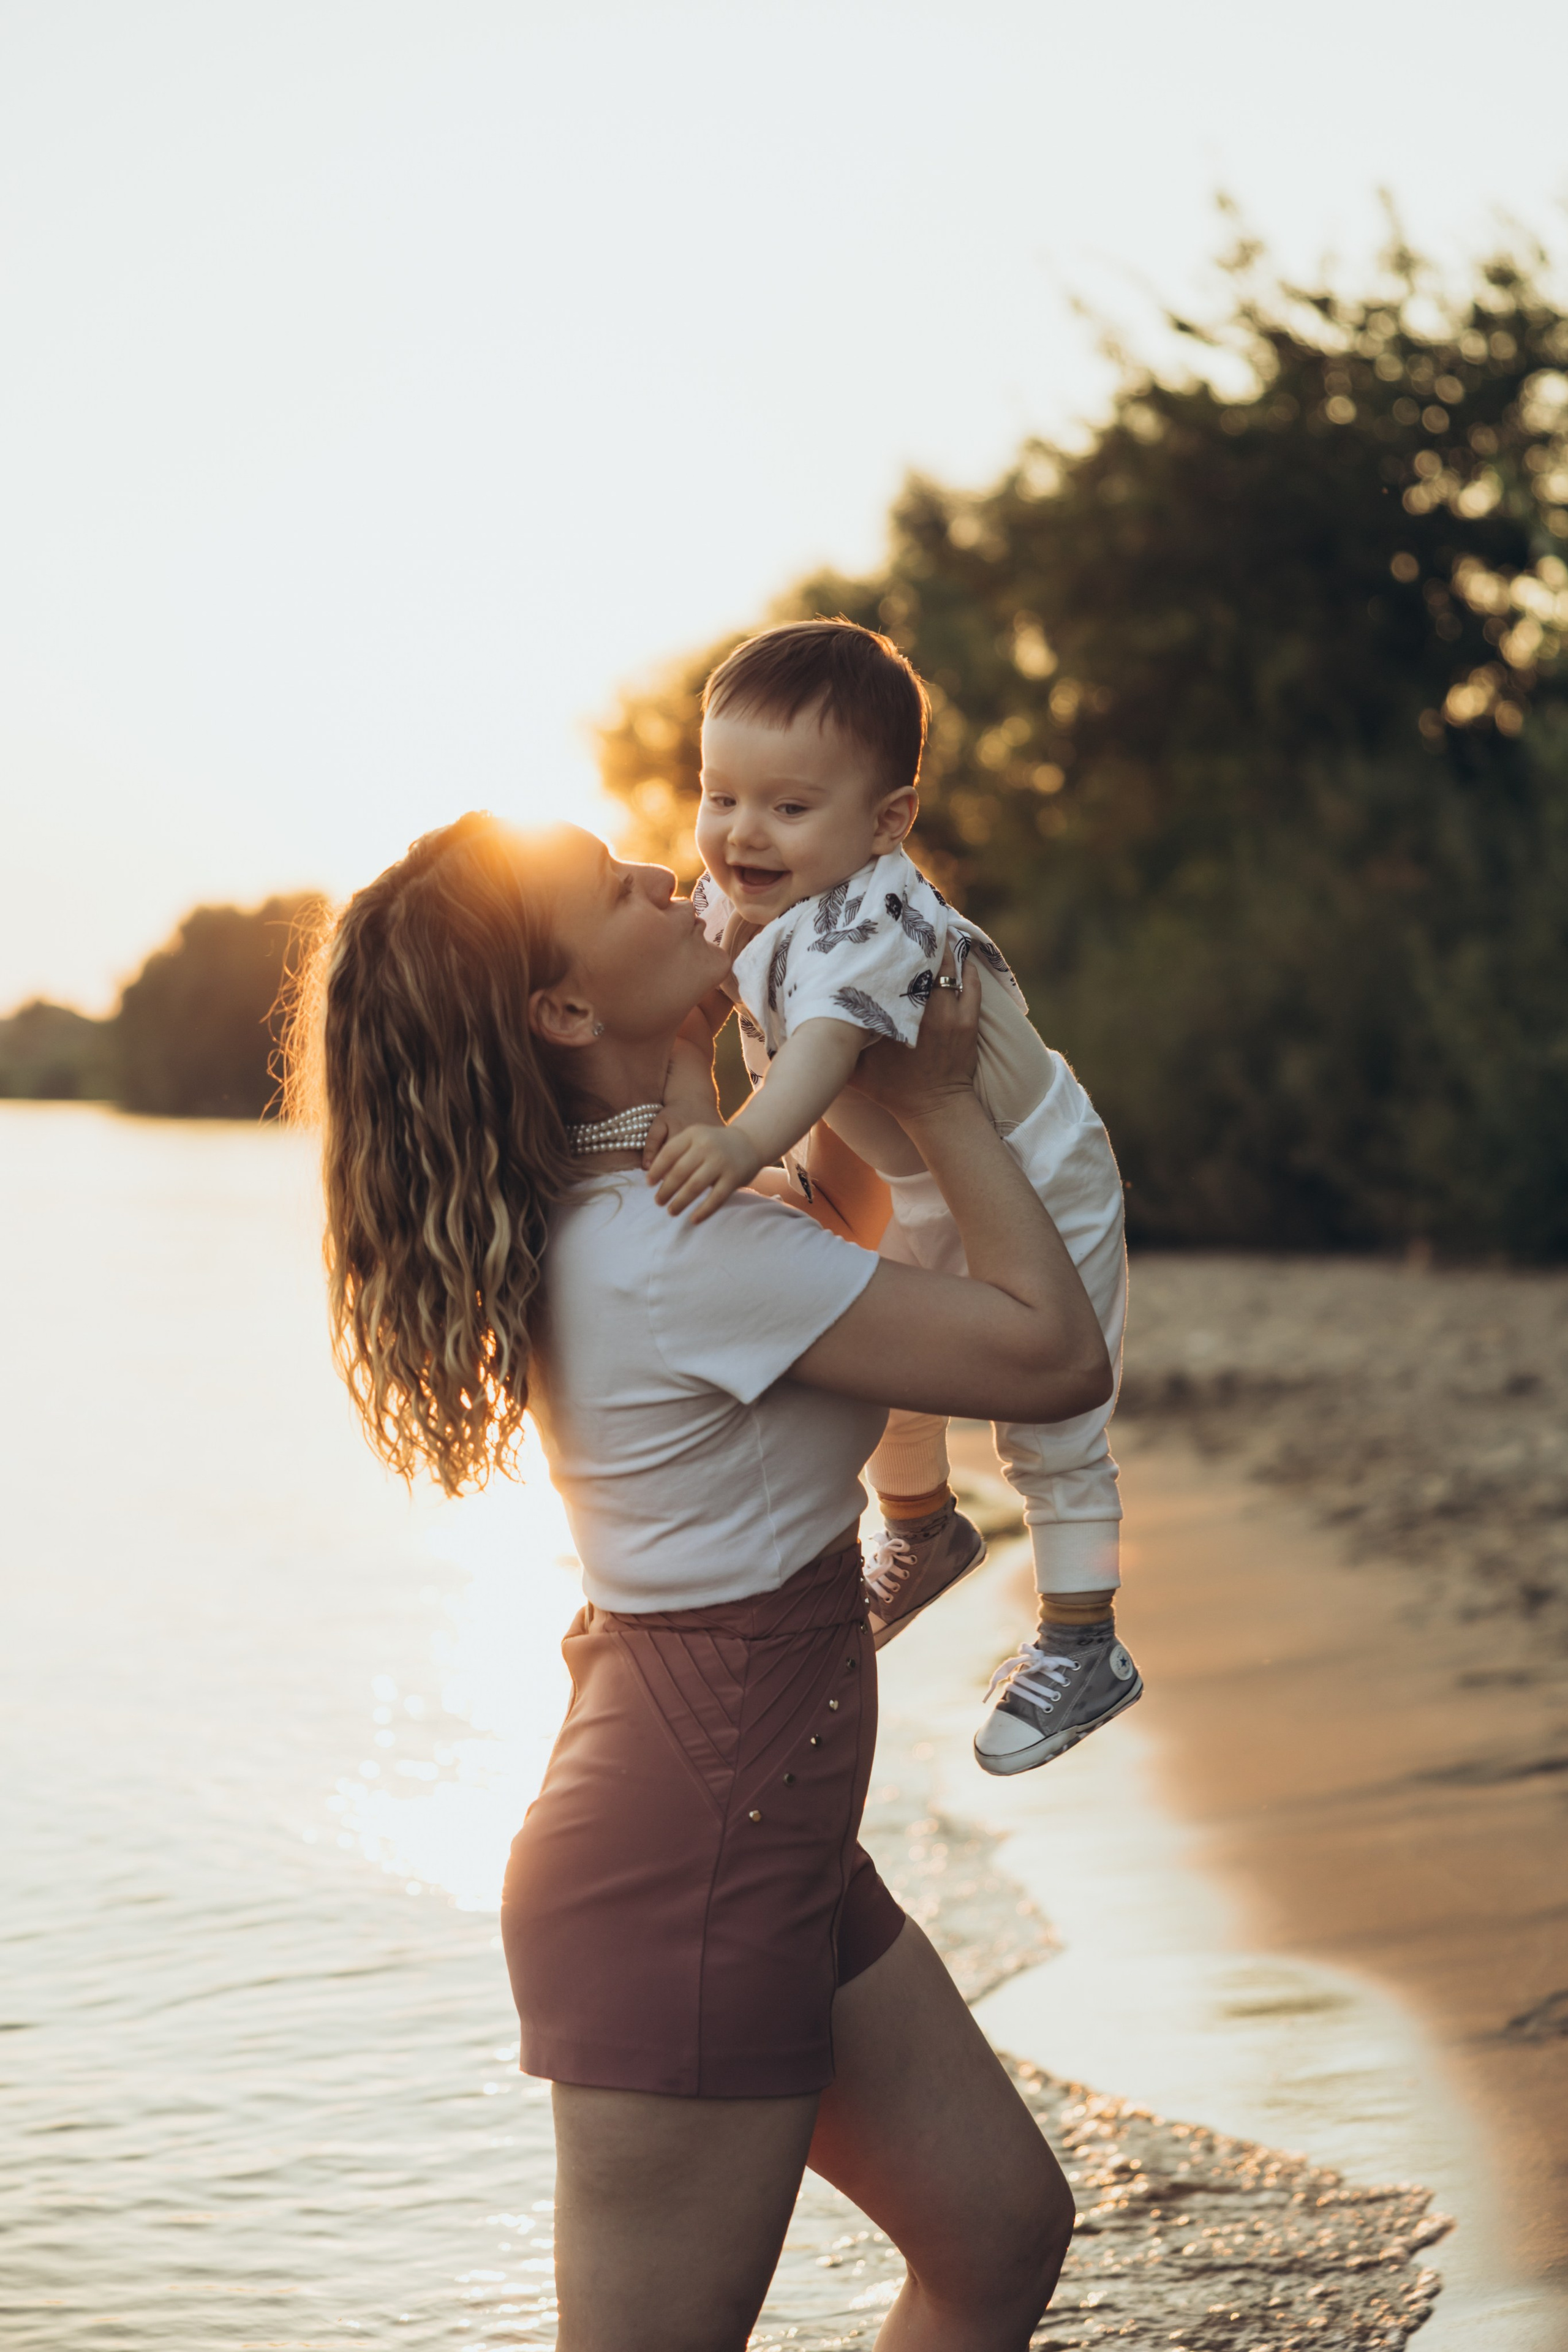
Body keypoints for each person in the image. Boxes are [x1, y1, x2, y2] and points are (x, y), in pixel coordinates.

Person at [294, 810, 1112, 2352]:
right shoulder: (666, 1251)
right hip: (686, 1871)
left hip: (749, 1836)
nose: (674, 878)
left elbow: (825, 1233)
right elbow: (1054, 1358)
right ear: (560, 1010)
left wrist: (758, 1070)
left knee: (998, 2232)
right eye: (619, 892)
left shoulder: (657, 1211)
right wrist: (937, 1096)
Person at [647, 618, 1137, 1775]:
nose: (739, 834)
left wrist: (737, 1139)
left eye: (786, 807)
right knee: (890, 1360)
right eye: (720, 797)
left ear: (887, 823)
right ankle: (920, 1530)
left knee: (1051, 1431)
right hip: (915, 1178)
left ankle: (1082, 1640)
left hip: (1038, 1173)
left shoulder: (871, 917)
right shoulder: (758, 891)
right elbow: (703, 984)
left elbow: (820, 1048)